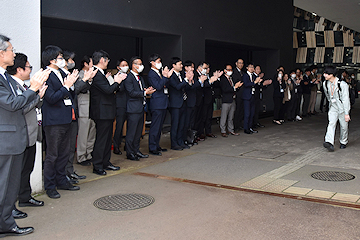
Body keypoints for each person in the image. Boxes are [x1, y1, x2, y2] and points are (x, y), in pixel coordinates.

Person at [0, 34, 49, 237]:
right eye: (10, 49)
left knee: (10, 187)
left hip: (14, 139)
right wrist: (34, 89)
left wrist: (35, 94)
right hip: (6, 141)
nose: (13, 52)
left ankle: (6, 223)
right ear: (1, 53)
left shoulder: (5, 78)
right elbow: (13, 104)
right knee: (4, 187)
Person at [7, 53, 46, 219]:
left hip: (30, 134)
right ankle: (11, 206)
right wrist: (35, 93)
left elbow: (33, 105)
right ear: (19, 69)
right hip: (20, 136)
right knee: (15, 174)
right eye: (29, 67)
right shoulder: (11, 86)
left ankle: (25, 197)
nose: (30, 70)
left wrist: (39, 96)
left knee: (26, 169)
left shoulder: (23, 85)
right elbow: (20, 108)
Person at [42, 45, 80, 198]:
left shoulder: (61, 73)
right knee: (52, 155)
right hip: (54, 121)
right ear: (51, 60)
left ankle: (62, 180)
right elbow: (50, 98)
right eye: (60, 57)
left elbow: (69, 93)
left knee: (64, 153)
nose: (63, 60)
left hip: (66, 118)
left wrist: (70, 85)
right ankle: (50, 186)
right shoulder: (45, 74)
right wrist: (66, 86)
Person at [90, 50, 125, 175]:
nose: (107, 63)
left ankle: (105, 162)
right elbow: (108, 90)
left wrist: (114, 81)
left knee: (106, 139)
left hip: (107, 111)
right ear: (101, 60)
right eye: (107, 60)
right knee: (101, 139)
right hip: (101, 112)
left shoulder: (101, 74)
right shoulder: (96, 74)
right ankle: (97, 165)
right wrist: (117, 81)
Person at [62, 50, 87, 184]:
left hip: (73, 114)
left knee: (71, 146)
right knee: (63, 148)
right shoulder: (62, 76)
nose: (72, 62)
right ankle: (63, 174)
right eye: (70, 60)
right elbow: (73, 90)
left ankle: (70, 171)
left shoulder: (71, 74)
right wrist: (83, 80)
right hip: (63, 116)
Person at [124, 56, 155, 159]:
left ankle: (136, 150)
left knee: (138, 133)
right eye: (139, 64)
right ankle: (130, 152)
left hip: (141, 107)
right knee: (131, 132)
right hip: (133, 108)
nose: (141, 66)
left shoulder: (140, 77)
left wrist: (146, 90)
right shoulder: (129, 77)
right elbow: (131, 92)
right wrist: (144, 92)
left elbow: (141, 90)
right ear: (133, 65)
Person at [147, 54, 172, 155]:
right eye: (157, 61)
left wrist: (166, 77)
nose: (159, 63)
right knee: (155, 126)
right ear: (152, 63)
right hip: (157, 103)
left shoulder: (158, 73)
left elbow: (164, 84)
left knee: (159, 126)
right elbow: (158, 86)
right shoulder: (151, 74)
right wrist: (165, 77)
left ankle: (157, 145)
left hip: (163, 102)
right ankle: (152, 147)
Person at [322, 66, 351, 151]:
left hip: (342, 108)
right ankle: (329, 142)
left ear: (332, 74)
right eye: (324, 73)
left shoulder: (342, 84)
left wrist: (346, 113)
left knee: (344, 126)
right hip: (333, 107)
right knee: (331, 123)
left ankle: (343, 141)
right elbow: (327, 96)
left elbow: (346, 99)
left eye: (326, 73)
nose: (324, 75)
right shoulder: (325, 84)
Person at [76, 56, 96, 166]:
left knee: (92, 132)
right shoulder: (80, 75)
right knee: (83, 133)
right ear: (85, 64)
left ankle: (89, 154)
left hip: (93, 107)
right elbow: (82, 89)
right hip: (84, 107)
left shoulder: (93, 75)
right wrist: (89, 79)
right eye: (91, 63)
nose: (93, 65)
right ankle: (81, 156)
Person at [168, 57, 190, 150]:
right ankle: (174, 144)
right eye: (180, 64)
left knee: (182, 124)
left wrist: (188, 81)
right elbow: (177, 87)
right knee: (175, 125)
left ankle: (180, 142)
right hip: (175, 104)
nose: (181, 66)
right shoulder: (171, 76)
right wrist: (186, 80)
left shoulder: (180, 74)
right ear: (174, 65)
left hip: (183, 102)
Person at [214, 64, 242, 137]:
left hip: (233, 99)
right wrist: (234, 87)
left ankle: (231, 130)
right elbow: (225, 89)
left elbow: (234, 88)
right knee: (224, 116)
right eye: (228, 70)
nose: (230, 71)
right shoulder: (223, 79)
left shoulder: (231, 78)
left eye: (231, 70)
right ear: (225, 70)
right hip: (226, 100)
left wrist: (237, 87)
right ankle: (223, 131)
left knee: (231, 117)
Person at [113, 58, 129, 155]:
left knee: (130, 125)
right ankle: (116, 145)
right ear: (118, 67)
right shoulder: (117, 76)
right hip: (120, 104)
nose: (125, 67)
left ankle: (128, 145)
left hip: (129, 103)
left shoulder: (130, 76)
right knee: (119, 126)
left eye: (126, 65)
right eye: (123, 65)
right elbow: (120, 89)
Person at [242, 63, 262, 134]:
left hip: (253, 96)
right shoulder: (245, 75)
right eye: (250, 67)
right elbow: (246, 84)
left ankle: (250, 127)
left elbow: (256, 85)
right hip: (247, 97)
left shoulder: (253, 76)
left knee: (252, 113)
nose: (252, 68)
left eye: (253, 67)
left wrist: (258, 82)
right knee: (247, 113)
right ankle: (246, 128)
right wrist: (254, 82)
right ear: (247, 68)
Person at [233, 58, 245, 130]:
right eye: (239, 63)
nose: (241, 64)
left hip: (243, 94)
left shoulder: (243, 73)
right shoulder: (234, 72)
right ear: (236, 63)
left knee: (241, 110)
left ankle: (240, 124)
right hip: (237, 93)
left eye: (242, 63)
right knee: (236, 110)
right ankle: (235, 125)